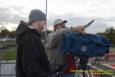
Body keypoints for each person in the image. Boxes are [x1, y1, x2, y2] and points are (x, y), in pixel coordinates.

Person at [16, 9, 51, 77]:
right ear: (37, 20)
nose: (45, 23)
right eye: (44, 20)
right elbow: (31, 68)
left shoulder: (30, 35)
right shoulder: (30, 37)